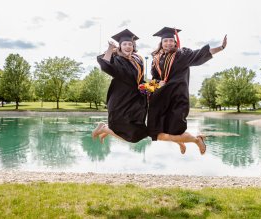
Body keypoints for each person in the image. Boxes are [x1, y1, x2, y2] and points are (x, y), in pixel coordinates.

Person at [147, 27, 227, 155]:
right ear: (161, 43)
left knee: (176, 129)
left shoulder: (182, 55)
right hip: (160, 98)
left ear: (175, 42)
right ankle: (180, 141)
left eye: (170, 41)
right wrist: (154, 85)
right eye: (165, 41)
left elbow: (200, 54)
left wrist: (221, 47)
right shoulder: (156, 59)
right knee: (156, 133)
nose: (168, 43)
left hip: (177, 97)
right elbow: (154, 79)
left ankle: (196, 140)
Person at [92, 29, 148, 143]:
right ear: (120, 46)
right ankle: (104, 129)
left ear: (133, 46)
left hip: (135, 101)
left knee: (138, 133)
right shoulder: (117, 59)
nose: (128, 46)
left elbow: (140, 79)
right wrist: (110, 49)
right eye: (124, 44)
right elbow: (105, 64)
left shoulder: (138, 60)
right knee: (127, 132)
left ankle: (105, 129)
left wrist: (150, 86)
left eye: (130, 44)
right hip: (120, 100)